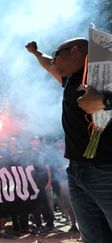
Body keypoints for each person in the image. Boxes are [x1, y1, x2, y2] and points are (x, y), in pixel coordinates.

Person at [26, 38, 112, 242]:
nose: (54, 62)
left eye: (57, 56)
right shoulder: (73, 78)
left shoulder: (105, 72)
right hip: (76, 172)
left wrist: (104, 101)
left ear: (75, 51)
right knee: (93, 237)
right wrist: (37, 54)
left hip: (106, 170)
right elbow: (50, 66)